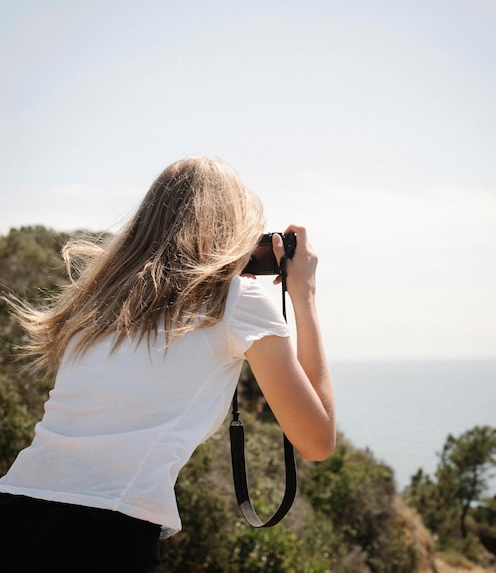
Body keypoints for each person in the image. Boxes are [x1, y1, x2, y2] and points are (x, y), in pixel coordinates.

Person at [0, 156, 335, 572]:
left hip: (14, 510)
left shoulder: (99, 298)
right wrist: (304, 295)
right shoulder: (237, 302)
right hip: (101, 533)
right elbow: (317, 440)